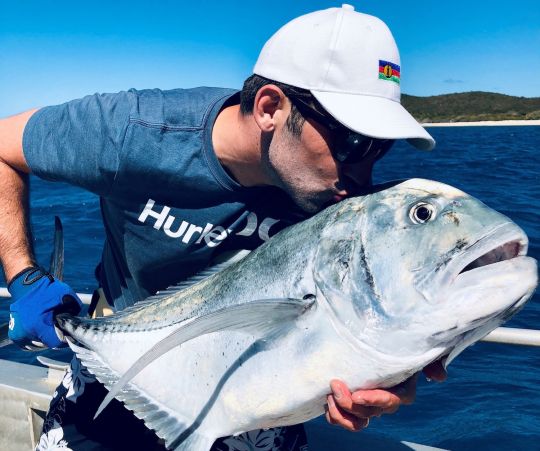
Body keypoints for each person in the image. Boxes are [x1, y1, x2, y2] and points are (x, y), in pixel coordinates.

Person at [0, 4, 446, 451]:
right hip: (118, 368)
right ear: (270, 107)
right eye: (352, 143)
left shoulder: (344, 203)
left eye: (381, 147)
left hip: (251, 399)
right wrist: (24, 277)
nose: (363, 176)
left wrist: (388, 363)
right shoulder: (133, 133)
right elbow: (3, 146)